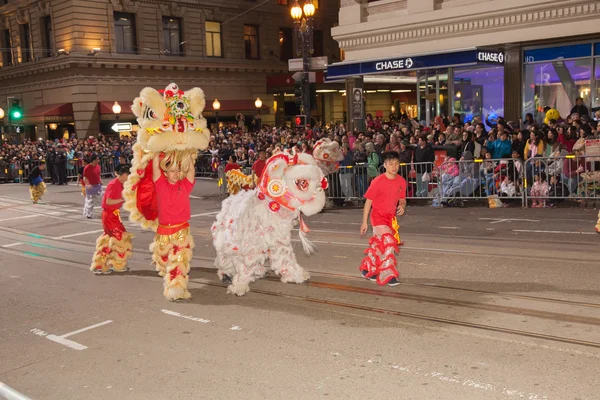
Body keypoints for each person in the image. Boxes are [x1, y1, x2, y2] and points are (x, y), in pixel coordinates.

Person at [151, 153, 196, 301]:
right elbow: (155, 168)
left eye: (178, 171)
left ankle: (176, 290)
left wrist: (188, 151)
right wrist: (156, 152)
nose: (176, 174)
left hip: (181, 230)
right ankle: (172, 280)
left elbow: (191, 171)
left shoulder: (185, 185)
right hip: (164, 231)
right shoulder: (160, 184)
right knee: (164, 262)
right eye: (172, 171)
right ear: (165, 172)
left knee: (178, 262)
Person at [359, 151, 407, 286]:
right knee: (389, 243)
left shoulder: (401, 181)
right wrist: (364, 222)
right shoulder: (378, 181)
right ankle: (388, 274)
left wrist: (402, 206)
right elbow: (368, 202)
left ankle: (368, 269)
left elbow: (402, 199)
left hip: (390, 219)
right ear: (385, 165)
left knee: (378, 246)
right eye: (390, 164)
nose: (394, 167)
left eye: (396, 164)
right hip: (378, 217)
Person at [90, 164, 133, 274]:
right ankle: (103, 265)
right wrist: (122, 199)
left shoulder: (121, 184)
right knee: (118, 239)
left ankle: (111, 264)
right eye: (129, 175)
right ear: (124, 174)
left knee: (113, 239)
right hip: (110, 216)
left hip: (113, 215)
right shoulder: (114, 184)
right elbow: (108, 201)